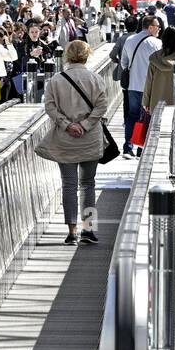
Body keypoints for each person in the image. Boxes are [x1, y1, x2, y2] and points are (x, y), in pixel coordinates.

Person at [42, 40, 110, 245]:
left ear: (67, 56)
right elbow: (101, 106)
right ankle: (88, 229)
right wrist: (86, 124)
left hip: (65, 139)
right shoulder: (95, 79)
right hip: (89, 139)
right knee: (88, 184)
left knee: (69, 185)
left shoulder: (56, 80)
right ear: (87, 55)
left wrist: (67, 125)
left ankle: (72, 231)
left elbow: (50, 106)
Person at [121, 14, 163, 156]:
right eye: (157, 26)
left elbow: (124, 63)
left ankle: (128, 146)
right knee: (148, 117)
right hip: (150, 87)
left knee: (132, 115)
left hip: (133, 85)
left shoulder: (130, 40)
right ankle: (142, 148)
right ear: (150, 27)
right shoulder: (156, 43)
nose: (159, 29)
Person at [143, 26, 175, 129]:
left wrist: (146, 102)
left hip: (157, 102)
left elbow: (149, 81)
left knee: (157, 132)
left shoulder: (155, 58)